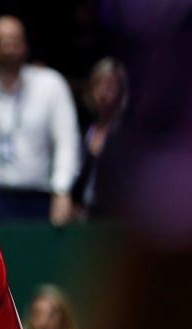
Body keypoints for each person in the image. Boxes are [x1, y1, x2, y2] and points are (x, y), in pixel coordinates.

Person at [0, 14, 80, 224]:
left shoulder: (50, 84)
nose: (8, 47)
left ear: (25, 45)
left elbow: (66, 142)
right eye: (1, 41)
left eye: (14, 40)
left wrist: (62, 190)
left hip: (40, 198)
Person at [71, 57, 128, 220]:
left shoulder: (127, 133)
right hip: (85, 215)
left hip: (116, 218)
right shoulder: (83, 128)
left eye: (111, 86)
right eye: (99, 84)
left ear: (122, 91)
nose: (104, 92)